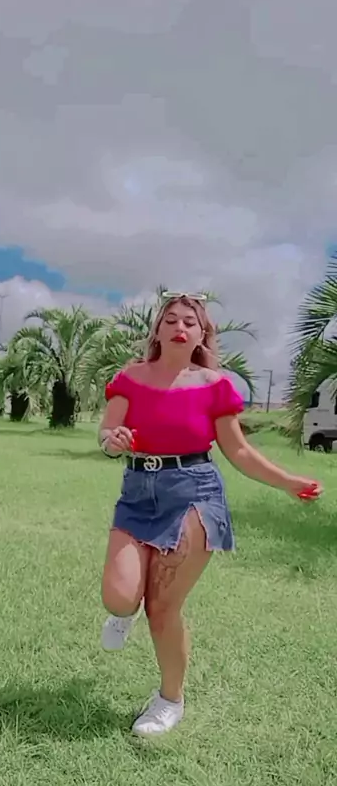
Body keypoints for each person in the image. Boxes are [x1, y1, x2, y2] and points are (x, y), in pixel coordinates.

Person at [98, 291, 322, 738]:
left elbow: (238, 451)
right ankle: (124, 613)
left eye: (190, 322)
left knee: (163, 607)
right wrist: (112, 441)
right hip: (138, 493)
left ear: (202, 334)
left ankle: (169, 701)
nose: (180, 327)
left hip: (194, 493)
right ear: (157, 331)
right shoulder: (131, 377)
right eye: (171, 320)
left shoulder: (214, 385)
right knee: (120, 598)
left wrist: (286, 481)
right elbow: (106, 433)